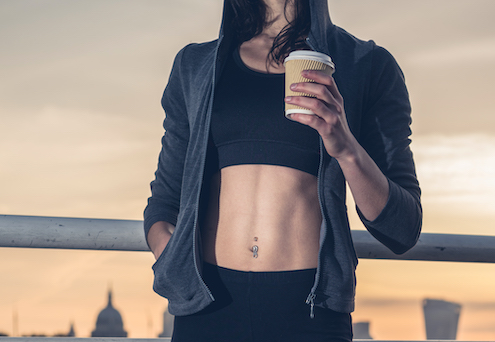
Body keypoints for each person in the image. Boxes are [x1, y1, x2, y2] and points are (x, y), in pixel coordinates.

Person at [142, 0, 422, 340]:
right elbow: (165, 202)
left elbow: (402, 228)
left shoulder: (367, 65)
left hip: (308, 313)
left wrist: (346, 148)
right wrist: (173, 259)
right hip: (207, 308)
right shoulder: (195, 66)